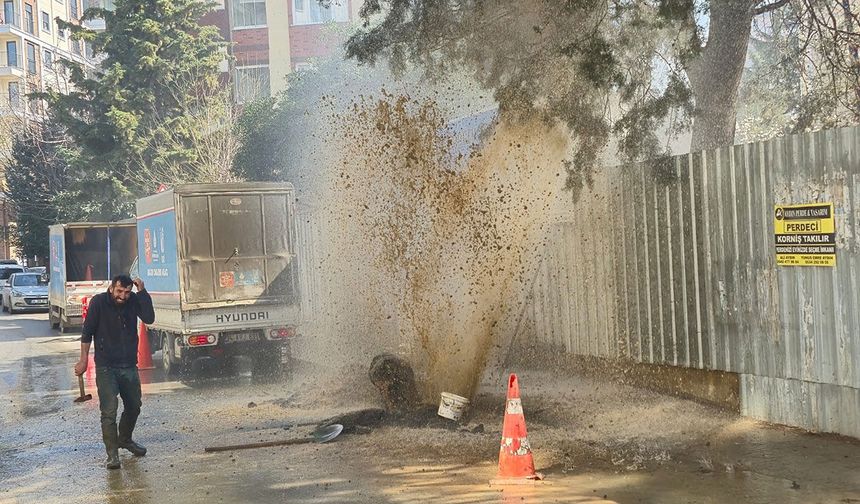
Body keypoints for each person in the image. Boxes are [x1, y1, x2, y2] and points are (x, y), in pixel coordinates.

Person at [74, 275, 155, 470]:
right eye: (119, 291)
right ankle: (112, 455)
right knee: (109, 411)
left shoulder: (134, 300)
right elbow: (87, 333)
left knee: (134, 406)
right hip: (106, 366)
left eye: (127, 292)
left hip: (128, 364)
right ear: (112, 288)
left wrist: (142, 292)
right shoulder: (99, 303)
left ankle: (125, 439)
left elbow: (149, 318)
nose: (123, 296)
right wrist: (84, 359)